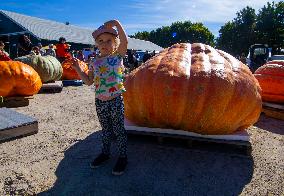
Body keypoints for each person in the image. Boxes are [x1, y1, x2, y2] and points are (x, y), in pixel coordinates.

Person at [71, 19, 128, 175]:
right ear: (96, 44)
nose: (104, 43)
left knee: (119, 130)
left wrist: (116, 23)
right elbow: (89, 81)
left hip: (115, 101)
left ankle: (123, 157)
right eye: (100, 41)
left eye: (109, 40)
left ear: (115, 43)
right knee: (106, 130)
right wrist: (77, 69)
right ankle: (105, 153)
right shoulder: (94, 62)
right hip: (100, 102)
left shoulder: (117, 57)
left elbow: (125, 40)